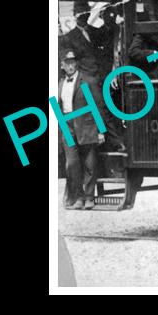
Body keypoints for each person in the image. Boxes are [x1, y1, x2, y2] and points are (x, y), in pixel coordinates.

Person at [59, 50, 104, 211]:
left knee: (89, 163)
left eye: (72, 62)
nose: (70, 66)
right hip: (67, 125)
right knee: (72, 164)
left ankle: (90, 197)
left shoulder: (87, 81)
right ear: (62, 66)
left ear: (76, 63)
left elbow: (98, 107)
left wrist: (100, 131)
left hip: (86, 125)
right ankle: (78, 197)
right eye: (67, 63)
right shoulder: (60, 83)